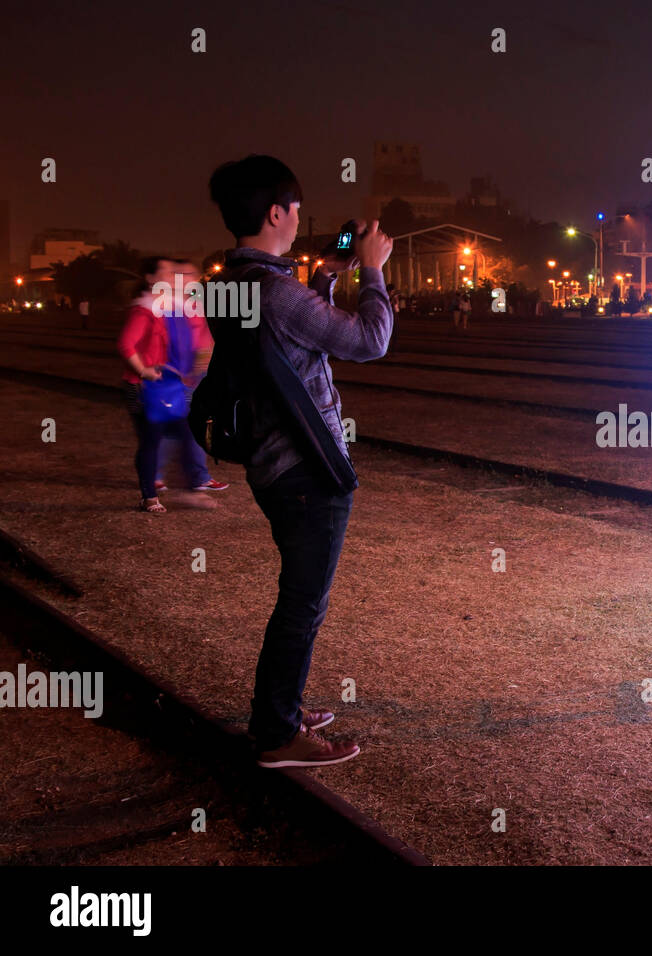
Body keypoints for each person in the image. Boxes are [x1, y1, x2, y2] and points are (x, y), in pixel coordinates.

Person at [208, 155, 393, 768]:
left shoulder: (230, 284)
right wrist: (372, 272)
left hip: (268, 463)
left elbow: (281, 346)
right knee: (303, 602)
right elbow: (369, 341)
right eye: (294, 209)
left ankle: (281, 709)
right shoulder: (278, 292)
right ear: (276, 212)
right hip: (309, 469)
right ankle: (278, 732)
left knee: (299, 596)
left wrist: (326, 277)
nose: (297, 220)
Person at [117, 257, 223, 513]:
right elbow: (126, 344)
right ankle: (149, 496)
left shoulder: (172, 308)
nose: (173, 277)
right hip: (143, 387)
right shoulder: (145, 309)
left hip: (168, 387)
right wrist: (144, 371)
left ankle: (191, 489)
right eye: (167, 272)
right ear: (151, 279)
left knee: (187, 434)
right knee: (151, 441)